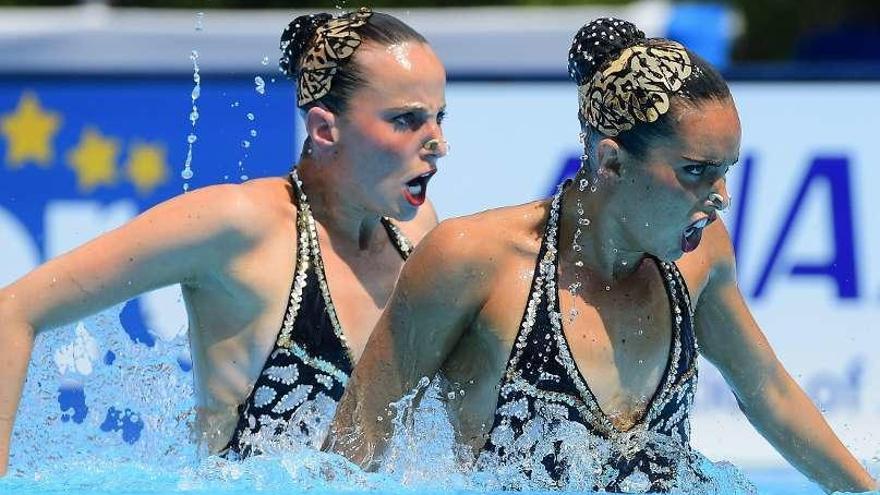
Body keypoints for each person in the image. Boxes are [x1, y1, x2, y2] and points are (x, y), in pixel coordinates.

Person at [325, 17, 877, 494]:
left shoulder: (700, 257)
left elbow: (769, 394)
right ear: (611, 163)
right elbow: (356, 443)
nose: (721, 200)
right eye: (695, 172)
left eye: (725, 172)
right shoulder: (473, 263)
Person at [0, 7, 448, 472]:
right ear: (324, 129)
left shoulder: (417, 234)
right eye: (406, 120)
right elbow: (14, 309)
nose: (438, 144)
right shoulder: (241, 226)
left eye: (439, 117)